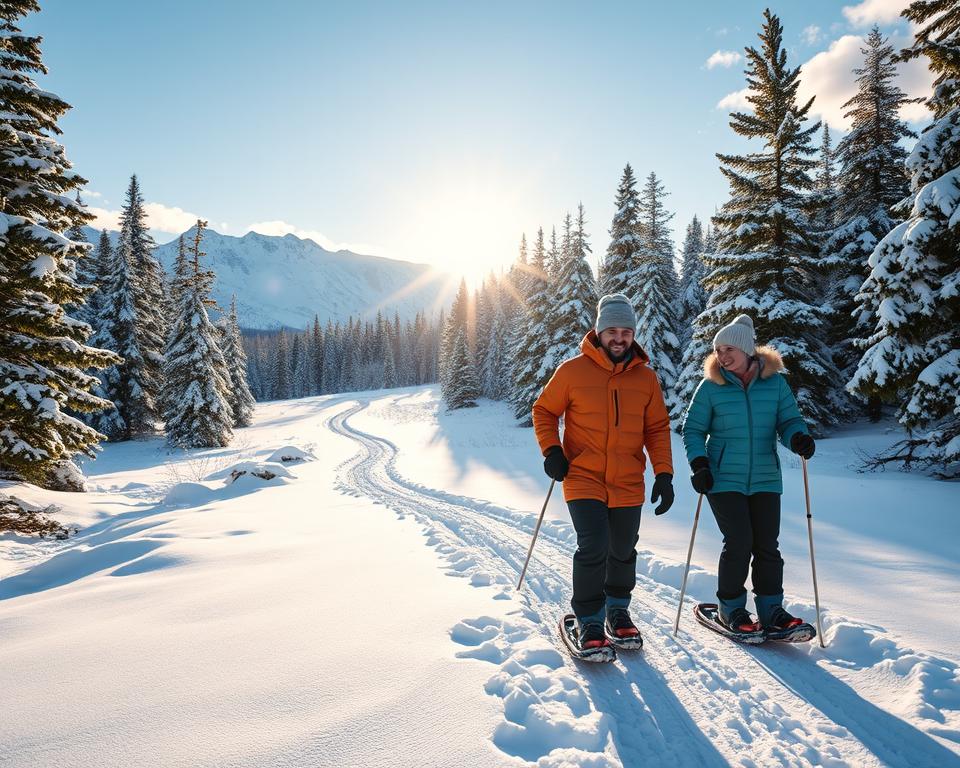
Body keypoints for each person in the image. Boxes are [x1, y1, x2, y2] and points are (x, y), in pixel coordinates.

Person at [532, 293, 674, 654]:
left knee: (623, 550)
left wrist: (664, 474)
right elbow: (544, 411)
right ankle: (590, 618)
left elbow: (657, 428)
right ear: (599, 331)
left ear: (633, 334)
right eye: (612, 330)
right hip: (583, 476)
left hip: (628, 480)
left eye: (626, 331)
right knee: (594, 545)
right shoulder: (572, 371)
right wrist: (552, 451)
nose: (619, 338)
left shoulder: (646, 379)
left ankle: (618, 611)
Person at [682, 314, 816, 634]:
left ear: (747, 350)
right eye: (718, 350)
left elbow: (788, 421)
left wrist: (797, 436)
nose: (722, 356)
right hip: (722, 476)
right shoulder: (711, 386)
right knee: (740, 542)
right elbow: (693, 430)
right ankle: (732, 610)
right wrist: (699, 464)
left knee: (767, 546)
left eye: (729, 348)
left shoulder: (776, 384)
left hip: (766, 476)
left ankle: (771, 611)